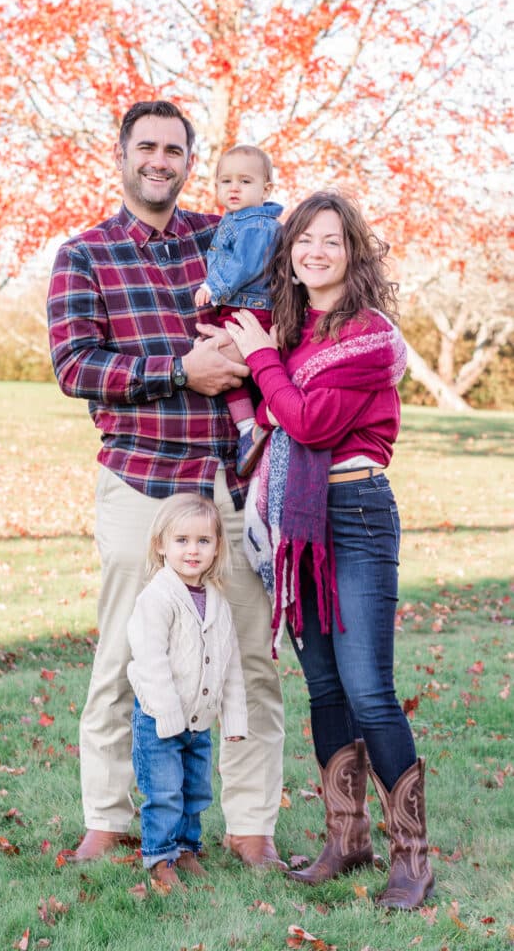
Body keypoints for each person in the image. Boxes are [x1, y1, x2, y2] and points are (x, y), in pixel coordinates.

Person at [47, 100, 287, 870]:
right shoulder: (83, 255)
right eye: (146, 147)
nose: (159, 160)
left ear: (190, 161)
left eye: (174, 150)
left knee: (250, 657)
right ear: (121, 154)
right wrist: (178, 371)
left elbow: (286, 296)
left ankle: (251, 828)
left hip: (230, 485)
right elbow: (75, 367)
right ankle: (108, 818)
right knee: (124, 654)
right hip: (142, 484)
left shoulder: (224, 235)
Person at [221, 191, 434, 910]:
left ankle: (411, 855)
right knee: (324, 688)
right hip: (297, 525)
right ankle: (346, 838)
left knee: (369, 688)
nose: (315, 251)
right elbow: (257, 384)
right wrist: (252, 346)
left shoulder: (368, 336)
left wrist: (259, 357)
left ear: (354, 254)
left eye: (331, 241)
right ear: (288, 253)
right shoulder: (291, 330)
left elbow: (307, 422)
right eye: (303, 239)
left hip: (356, 515)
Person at [127, 493, 247, 888]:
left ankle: (186, 849)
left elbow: (228, 664)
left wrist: (233, 718)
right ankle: (160, 860)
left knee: (196, 791)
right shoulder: (157, 598)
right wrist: (168, 715)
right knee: (163, 792)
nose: (192, 550)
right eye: (181, 540)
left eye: (203, 541)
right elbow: (150, 661)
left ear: (216, 549)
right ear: (161, 545)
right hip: (159, 718)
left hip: (199, 721)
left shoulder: (217, 602)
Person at [193, 145, 283, 477]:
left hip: (250, 309)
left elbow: (243, 264)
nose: (233, 188)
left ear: (266, 189)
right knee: (228, 369)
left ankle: (253, 426)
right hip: (241, 308)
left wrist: (213, 287)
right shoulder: (237, 220)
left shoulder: (256, 226)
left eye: (245, 181)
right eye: (225, 180)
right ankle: (251, 427)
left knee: (227, 363)